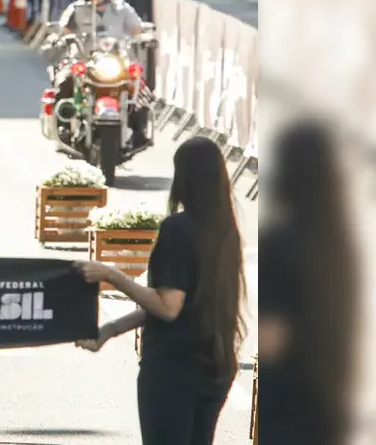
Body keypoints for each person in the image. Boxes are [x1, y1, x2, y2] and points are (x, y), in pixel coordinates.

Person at [74, 136, 247, 445]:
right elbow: (179, 303)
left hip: (173, 370)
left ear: (183, 178)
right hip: (216, 365)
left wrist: (113, 275)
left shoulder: (177, 230)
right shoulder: (226, 230)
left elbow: (168, 307)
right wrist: (111, 329)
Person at [258, 120, 359, 445]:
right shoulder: (339, 243)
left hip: (287, 409)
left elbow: (271, 339)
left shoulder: (281, 242)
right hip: (329, 406)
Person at [53, 0, 151, 147]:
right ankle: (64, 126)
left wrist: (144, 36)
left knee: (137, 86)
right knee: (64, 80)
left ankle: (139, 131)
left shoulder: (121, 8)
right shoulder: (76, 9)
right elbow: (62, 27)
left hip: (116, 61)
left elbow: (137, 28)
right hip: (85, 60)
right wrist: (64, 38)